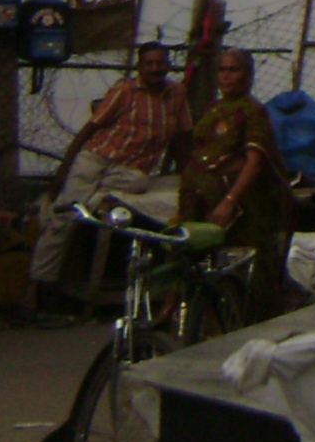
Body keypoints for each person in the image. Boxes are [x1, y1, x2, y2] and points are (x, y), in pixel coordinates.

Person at [25, 40, 191, 313]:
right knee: (62, 218)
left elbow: (182, 139)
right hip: (96, 160)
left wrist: (189, 175)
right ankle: (34, 293)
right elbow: (89, 130)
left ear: (168, 65)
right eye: (148, 64)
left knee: (138, 183)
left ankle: (91, 198)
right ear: (140, 66)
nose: (154, 69)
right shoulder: (125, 91)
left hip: (129, 172)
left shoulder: (177, 95)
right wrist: (62, 173)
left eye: (160, 63)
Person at [178, 46, 298, 319]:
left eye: (234, 70)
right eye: (222, 70)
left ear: (248, 75)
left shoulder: (252, 111)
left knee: (248, 274)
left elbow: (255, 161)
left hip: (241, 211)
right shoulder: (214, 109)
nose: (226, 76)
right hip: (202, 204)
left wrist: (229, 201)